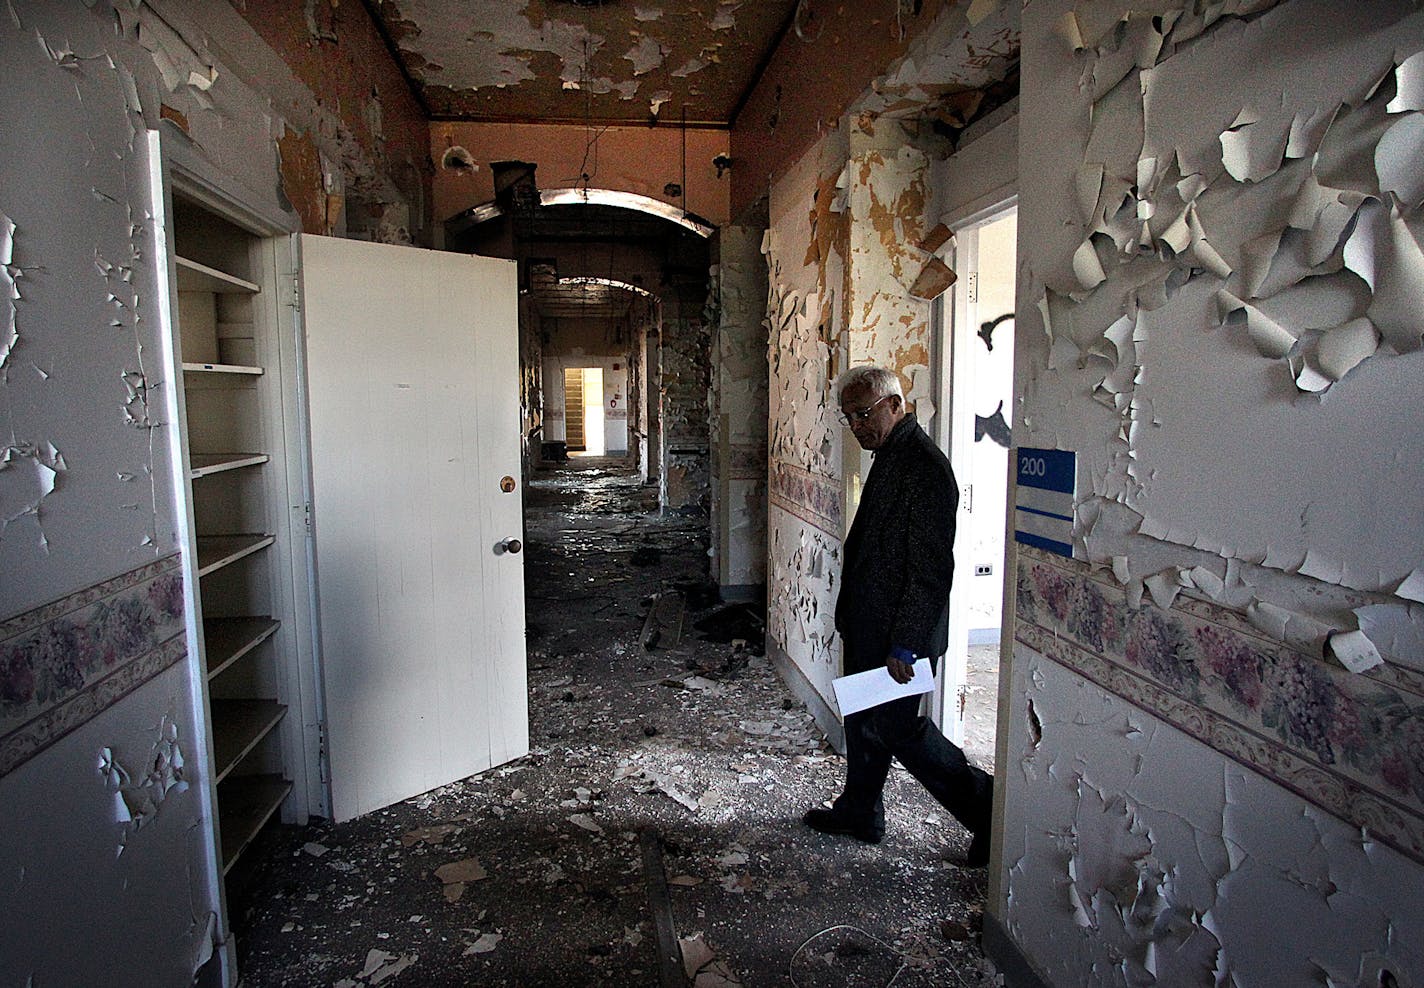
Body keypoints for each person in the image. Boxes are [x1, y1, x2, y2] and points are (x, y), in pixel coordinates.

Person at [802, 364, 994, 866]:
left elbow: (930, 570)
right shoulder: (892, 454)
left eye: (863, 414)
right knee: (864, 721)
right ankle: (860, 810)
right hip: (871, 624)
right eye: (848, 418)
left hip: (897, 636)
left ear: (895, 403)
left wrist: (906, 642)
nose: (857, 426)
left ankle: (989, 811)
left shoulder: (924, 466)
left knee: (900, 730)